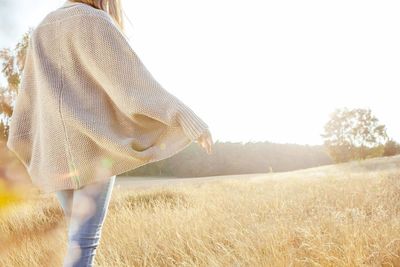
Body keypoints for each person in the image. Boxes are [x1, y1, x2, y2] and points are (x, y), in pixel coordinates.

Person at [6, 0, 214, 266]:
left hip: (55, 154)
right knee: (83, 242)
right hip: (92, 150)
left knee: (76, 240)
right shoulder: (94, 20)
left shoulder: (42, 29)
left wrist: (24, 142)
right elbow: (135, 86)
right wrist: (186, 117)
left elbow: (29, 98)